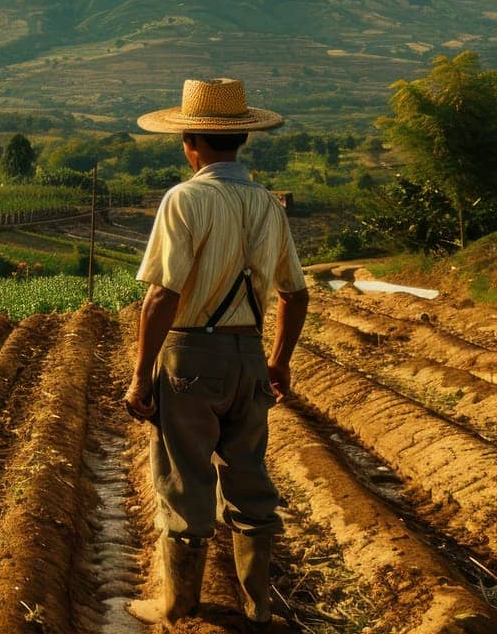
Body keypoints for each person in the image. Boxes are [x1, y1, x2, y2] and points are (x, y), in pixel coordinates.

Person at [122, 78, 309, 627]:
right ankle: (257, 608)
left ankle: (179, 603)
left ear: (191, 144)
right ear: (241, 141)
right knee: (248, 477)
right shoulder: (268, 205)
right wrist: (278, 361)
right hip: (249, 354)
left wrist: (140, 376)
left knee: (185, 477)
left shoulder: (185, 198)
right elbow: (295, 293)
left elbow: (161, 295)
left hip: (190, 356)